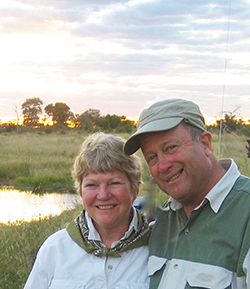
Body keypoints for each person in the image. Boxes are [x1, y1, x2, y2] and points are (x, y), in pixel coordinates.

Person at [124, 98, 250, 289]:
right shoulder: (161, 222)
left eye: (171, 148)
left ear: (206, 144)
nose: (163, 166)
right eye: (152, 157)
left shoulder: (245, 212)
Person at [24, 132, 150, 289]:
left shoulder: (157, 249)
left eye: (114, 183)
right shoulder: (55, 249)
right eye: (92, 185)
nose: (103, 195)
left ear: (135, 190)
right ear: (81, 192)